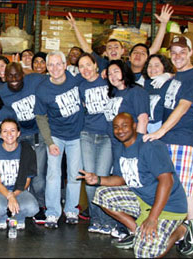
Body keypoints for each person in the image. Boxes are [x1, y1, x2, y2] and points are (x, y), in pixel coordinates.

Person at [78, 113, 193, 257]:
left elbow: (167, 182)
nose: (120, 130)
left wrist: (153, 218)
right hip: (143, 201)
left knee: (146, 254)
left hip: (169, 206)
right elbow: (121, 179)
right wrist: (97, 180)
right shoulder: (120, 148)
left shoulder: (150, 146)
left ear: (134, 126)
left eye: (124, 126)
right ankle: (138, 231)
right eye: (116, 127)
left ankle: (181, 231)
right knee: (102, 194)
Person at [143, 36, 193, 248]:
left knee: (187, 188)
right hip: (170, 139)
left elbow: (182, 107)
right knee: (171, 186)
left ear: (190, 52)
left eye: (182, 51)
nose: (178, 56)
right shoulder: (177, 76)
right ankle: (177, 229)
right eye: (174, 52)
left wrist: (161, 131)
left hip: (183, 139)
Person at [34, 51, 84, 228]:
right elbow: (40, 117)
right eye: (51, 65)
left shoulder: (75, 79)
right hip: (56, 135)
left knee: (74, 174)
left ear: (65, 65)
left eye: (58, 64)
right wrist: (50, 142)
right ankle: (53, 213)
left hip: (77, 135)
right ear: (47, 68)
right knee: (53, 175)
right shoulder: (42, 89)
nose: (55, 68)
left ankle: (71, 210)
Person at [0, 62, 48, 224]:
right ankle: (14, 206)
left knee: (38, 175)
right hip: (17, 136)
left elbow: (55, 77)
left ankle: (40, 207)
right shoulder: (0, 92)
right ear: (4, 77)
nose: (14, 79)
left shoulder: (34, 79)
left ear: (24, 74)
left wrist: (27, 68)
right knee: (18, 174)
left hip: (38, 133)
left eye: (17, 75)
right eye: (10, 76)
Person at [68, 4, 173, 73]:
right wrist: (75, 27)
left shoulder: (129, 65)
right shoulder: (102, 63)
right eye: (109, 48)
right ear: (105, 53)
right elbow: (86, 48)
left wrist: (163, 24)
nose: (113, 50)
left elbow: (153, 49)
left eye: (116, 47)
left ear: (123, 51)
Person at [77, 53, 115, 234]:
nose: (85, 69)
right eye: (81, 66)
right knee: (90, 180)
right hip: (87, 135)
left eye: (88, 65)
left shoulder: (108, 81)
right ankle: (96, 219)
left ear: (96, 65)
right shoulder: (80, 86)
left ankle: (106, 220)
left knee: (102, 178)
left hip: (107, 137)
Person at [0, 119, 39, 230]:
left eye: (12, 130)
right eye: (5, 131)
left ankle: (18, 216)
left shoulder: (27, 151)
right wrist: (9, 196)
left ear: (18, 133)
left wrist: (13, 195)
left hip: (19, 189)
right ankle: (1, 217)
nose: (9, 134)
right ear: (1, 134)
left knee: (32, 208)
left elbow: (27, 181)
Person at [104, 60, 150, 136]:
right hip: (114, 142)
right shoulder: (113, 93)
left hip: (131, 141)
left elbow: (143, 119)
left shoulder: (136, 91)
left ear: (124, 71)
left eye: (116, 71)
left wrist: (138, 144)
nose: (113, 76)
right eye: (109, 74)